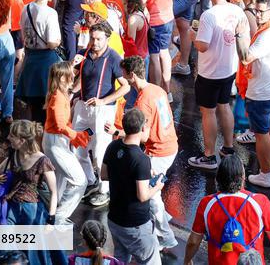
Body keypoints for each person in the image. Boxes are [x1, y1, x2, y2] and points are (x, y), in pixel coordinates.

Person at [113, 56, 178, 251]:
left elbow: (142, 137)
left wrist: (117, 132)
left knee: (150, 196)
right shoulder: (157, 90)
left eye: (124, 76)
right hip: (170, 145)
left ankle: (165, 236)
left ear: (131, 75)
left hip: (158, 151)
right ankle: (165, 219)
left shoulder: (143, 101)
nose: (123, 79)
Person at [188, 0, 248, 170]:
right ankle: (229, 148)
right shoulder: (237, 10)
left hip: (210, 72)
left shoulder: (209, 15)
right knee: (224, 106)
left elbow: (203, 46)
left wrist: (192, 36)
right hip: (229, 68)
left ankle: (209, 156)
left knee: (208, 112)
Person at [185, 154, 270, 265]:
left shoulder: (206, 203)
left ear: (218, 178)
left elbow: (193, 241)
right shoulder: (260, 201)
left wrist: (187, 260)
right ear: (243, 177)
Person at [0, 120, 59, 265]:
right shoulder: (14, 154)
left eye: (12, 136)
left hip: (31, 211)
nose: (8, 138)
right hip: (12, 207)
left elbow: (54, 192)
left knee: (29, 251)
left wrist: (50, 220)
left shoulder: (42, 160)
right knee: (3, 244)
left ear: (22, 140)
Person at [101, 108, 164, 265]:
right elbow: (142, 196)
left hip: (115, 219)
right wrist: (157, 186)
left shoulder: (113, 146)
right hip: (136, 225)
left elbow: (104, 175)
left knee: (120, 259)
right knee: (151, 261)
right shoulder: (141, 159)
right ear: (142, 128)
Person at [238, 0, 270, 186]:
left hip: (261, 92)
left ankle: (265, 174)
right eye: (256, 11)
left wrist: (239, 35)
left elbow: (245, 57)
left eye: (261, 12)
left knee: (261, 133)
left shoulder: (266, 35)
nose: (257, 16)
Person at [42, 61, 89, 225]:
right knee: (79, 181)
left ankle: (53, 214)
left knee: (61, 180)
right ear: (62, 78)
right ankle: (60, 216)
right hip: (55, 143)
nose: (74, 75)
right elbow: (60, 124)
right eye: (71, 73)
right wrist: (75, 135)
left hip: (56, 141)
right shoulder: (57, 97)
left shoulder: (58, 94)